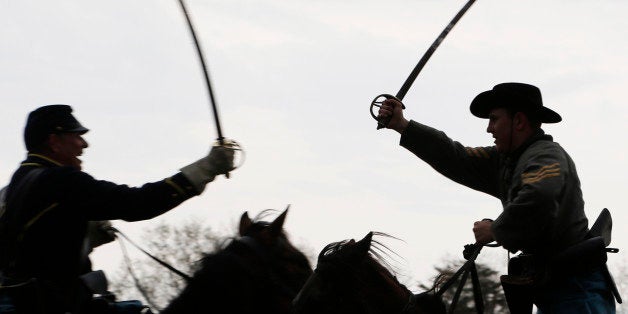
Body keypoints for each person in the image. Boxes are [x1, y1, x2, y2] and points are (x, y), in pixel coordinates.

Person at [377, 82, 617, 313]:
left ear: (519, 121)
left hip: (577, 290)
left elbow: (540, 196)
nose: (488, 128)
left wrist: (496, 230)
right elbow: (455, 156)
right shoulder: (506, 161)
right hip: (555, 289)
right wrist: (402, 125)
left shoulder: (546, 156)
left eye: (494, 119)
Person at [0, 104, 236, 313]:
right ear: (54, 141)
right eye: (76, 136)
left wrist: (86, 237)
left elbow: (29, 245)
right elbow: (136, 203)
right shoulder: (60, 180)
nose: (84, 144)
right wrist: (206, 169)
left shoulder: (14, 186)